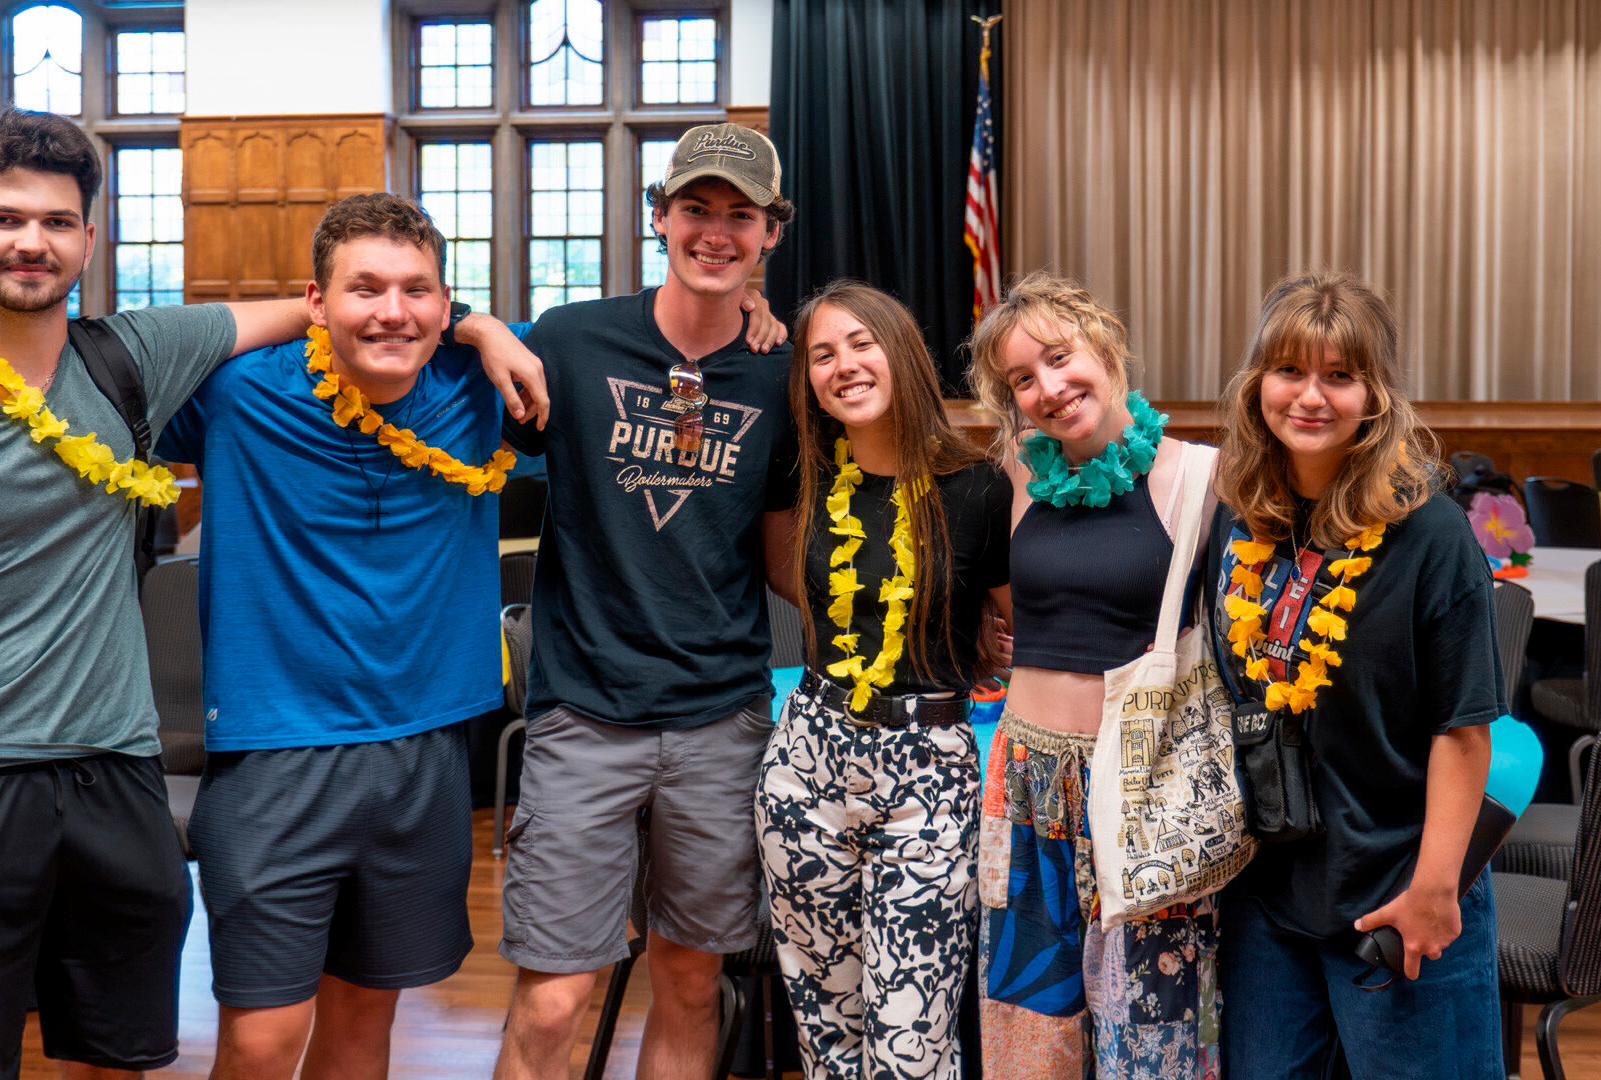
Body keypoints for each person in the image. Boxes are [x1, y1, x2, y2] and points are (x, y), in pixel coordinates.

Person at [0, 106, 315, 1079]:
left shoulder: (135, 358)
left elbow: (324, 304)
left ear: (91, 238)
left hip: (119, 780)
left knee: (118, 1059)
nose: (31, 242)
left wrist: (474, 328)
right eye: (4, 220)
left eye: (55, 221)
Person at [151, 192, 542, 1080]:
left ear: (447, 306)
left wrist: (486, 333)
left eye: (417, 291)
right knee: (259, 1040)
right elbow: (107, 356)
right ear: (315, 302)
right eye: (364, 289)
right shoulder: (239, 390)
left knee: (366, 1028)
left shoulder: (483, 388)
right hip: (274, 754)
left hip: (426, 753)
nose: (394, 311)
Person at [462, 122, 799, 1080]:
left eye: (741, 216)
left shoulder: (786, 372)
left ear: (771, 232)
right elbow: (427, 337)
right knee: (555, 996)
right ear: (660, 217)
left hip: (720, 718)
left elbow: (787, 548)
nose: (716, 232)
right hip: (584, 714)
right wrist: (482, 324)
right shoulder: (572, 339)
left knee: (692, 981)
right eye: (696, 209)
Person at [1206, 271, 1500, 1079]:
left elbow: (1465, 730)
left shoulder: (1431, 535)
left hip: (1400, 890)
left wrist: (1435, 891)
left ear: (1375, 395)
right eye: (1290, 371)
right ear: (1257, 382)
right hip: (1269, 899)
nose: (1311, 396)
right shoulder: (1241, 524)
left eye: (1340, 375)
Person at [965, 271, 1221, 1078]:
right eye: (1021, 380)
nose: (1048, 388)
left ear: (1104, 345)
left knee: (1152, 1038)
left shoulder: (1201, 478)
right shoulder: (1013, 473)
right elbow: (1002, 604)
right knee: (1025, 1034)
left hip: (1145, 791)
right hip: (1025, 781)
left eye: (1058, 357)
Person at [754, 281, 1011, 1079]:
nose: (844, 365)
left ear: (900, 352)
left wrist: (977, 638)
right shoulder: (800, 482)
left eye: (861, 343)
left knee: (911, 1038)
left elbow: (1018, 623)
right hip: (808, 761)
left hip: (928, 770)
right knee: (826, 1032)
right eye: (822, 354)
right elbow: (797, 585)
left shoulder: (978, 488)